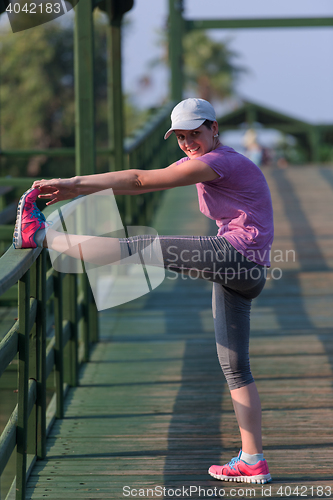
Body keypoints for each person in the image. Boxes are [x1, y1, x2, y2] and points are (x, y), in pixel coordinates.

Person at [13, 98, 273, 484]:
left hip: (235, 255)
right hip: (248, 269)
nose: (188, 143)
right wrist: (76, 188)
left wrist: (71, 185)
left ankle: (40, 235)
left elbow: (139, 181)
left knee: (133, 248)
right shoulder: (202, 160)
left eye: (196, 134)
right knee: (236, 369)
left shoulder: (220, 161)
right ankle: (253, 460)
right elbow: (139, 179)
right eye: (181, 137)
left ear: (214, 128)